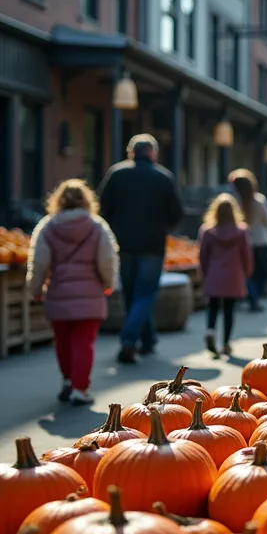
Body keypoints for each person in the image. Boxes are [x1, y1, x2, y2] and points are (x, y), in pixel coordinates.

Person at [27, 179, 119, 405]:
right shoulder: (97, 226)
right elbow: (107, 259)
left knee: (63, 341)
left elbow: (39, 262)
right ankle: (80, 388)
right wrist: (109, 282)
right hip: (90, 295)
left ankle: (68, 380)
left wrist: (35, 288)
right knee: (84, 343)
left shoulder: (47, 226)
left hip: (58, 293)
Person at [98, 134, 184, 364]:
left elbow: (102, 208)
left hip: (123, 244)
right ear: (153, 153)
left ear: (131, 152)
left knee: (130, 293)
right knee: (145, 294)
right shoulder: (163, 178)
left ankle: (147, 339)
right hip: (152, 245)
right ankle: (129, 339)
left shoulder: (116, 174)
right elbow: (176, 214)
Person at [198, 193, 253, 359]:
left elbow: (202, 256)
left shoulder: (207, 231)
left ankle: (210, 331)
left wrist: (204, 272)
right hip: (233, 275)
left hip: (214, 274)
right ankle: (226, 343)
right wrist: (247, 271)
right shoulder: (241, 231)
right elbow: (246, 254)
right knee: (229, 310)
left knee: (213, 307)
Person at [229, 169, 267, 312]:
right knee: (262, 273)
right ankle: (254, 297)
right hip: (261, 241)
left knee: (247, 273)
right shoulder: (259, 201)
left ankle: (251, 296)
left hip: (242, 243)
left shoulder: (234, 203)